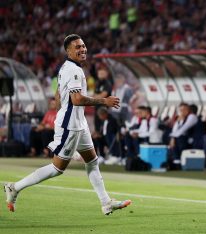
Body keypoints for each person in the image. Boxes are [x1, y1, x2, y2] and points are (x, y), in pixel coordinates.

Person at [4, 34, 131, 215]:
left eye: (83, 46)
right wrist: (104, 101)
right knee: (57, 169)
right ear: (68, 51)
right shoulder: (73, 70)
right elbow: (77, 99)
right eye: (77, 47)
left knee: (92, 162)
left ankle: (106, 202)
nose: (82, 49)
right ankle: (15, 187)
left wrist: (60, 114)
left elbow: (57, 95)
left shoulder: (67, 67)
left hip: (78, 124)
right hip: (70, 125)